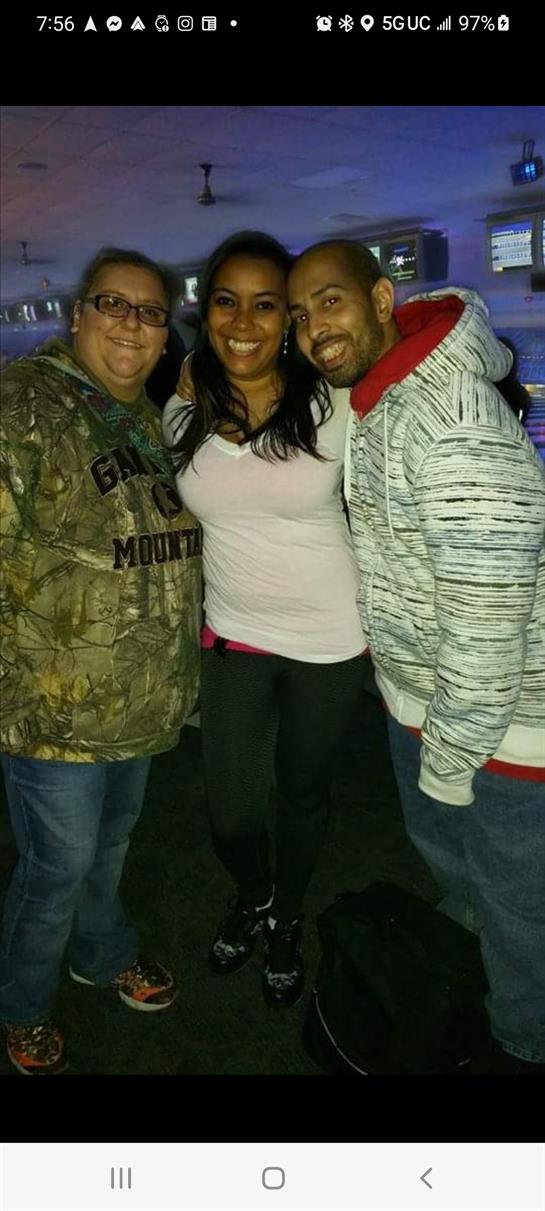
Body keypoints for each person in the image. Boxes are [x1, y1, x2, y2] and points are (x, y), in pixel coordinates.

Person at [288, 239, 545, 1073]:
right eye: (298, 314)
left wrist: (448, 757)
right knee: (463, 879)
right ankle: (478, 970)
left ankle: (521, 1040)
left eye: (328, 301)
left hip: (504, 728)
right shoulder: (377, 398)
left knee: (516, 906)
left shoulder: (457, 419)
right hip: (419, 704)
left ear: (380, 296)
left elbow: (484, 623)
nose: (310, 326)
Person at [0, 247, 202, 1075]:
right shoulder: (26, 403)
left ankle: (102, 947)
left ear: (164, 336)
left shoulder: (152, 422)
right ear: (75, 315)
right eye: (112, 304)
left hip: (142, 697)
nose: (130, 322)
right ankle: (20, 1004)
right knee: (57, 866)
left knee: (111, 843)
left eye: (149, 311)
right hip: (53, 706)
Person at [163, 231, 366, 1010]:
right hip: (234, 638)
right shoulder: (181, 407)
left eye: (264, 302)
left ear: (287, 317)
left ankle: (286, 913)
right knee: (232, 808)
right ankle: (254, 890)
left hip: (329, 641)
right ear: (204, 309)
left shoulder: (335, 398)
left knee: (302, 795)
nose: (242, 319)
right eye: (225, 299)